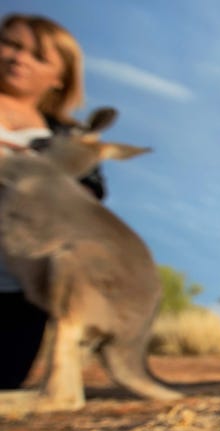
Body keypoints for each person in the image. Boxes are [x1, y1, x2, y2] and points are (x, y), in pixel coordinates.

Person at [0, 13, 105, 389]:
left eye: (37, 56)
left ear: (60, 77)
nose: (18, 58)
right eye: (11, 44)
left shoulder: (70, 136)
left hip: (21, 288)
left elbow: (89, 200)